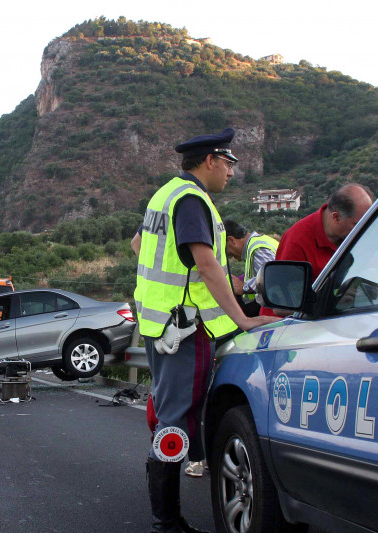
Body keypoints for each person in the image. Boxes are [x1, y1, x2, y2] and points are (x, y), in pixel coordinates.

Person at [133, 127, 279, 533]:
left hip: (159, 324)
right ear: (210, 161)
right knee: (175, 422)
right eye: (228, 163)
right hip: (183, 327)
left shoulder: (164, 196)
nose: (231, 171)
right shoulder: (193, 199)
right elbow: (208, 265)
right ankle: (166, 522)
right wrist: (244, 319)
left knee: (169, 416)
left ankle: (166, 516)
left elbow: (137, 246)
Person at [261, 183, 375, 316]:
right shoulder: (297, 240)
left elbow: (374, 282)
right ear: (336, 217)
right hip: (285, 327)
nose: (363, 230)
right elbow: (282, 306)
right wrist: (336, 300)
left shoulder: (354, 236)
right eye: (357, 224)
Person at [223, 220, 278, 318]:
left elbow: (273, 278)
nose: (229, 255)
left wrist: (244, 287)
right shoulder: (261, 241)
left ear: (232, 240)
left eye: (226, 249)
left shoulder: (257, 249)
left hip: (274, 310)